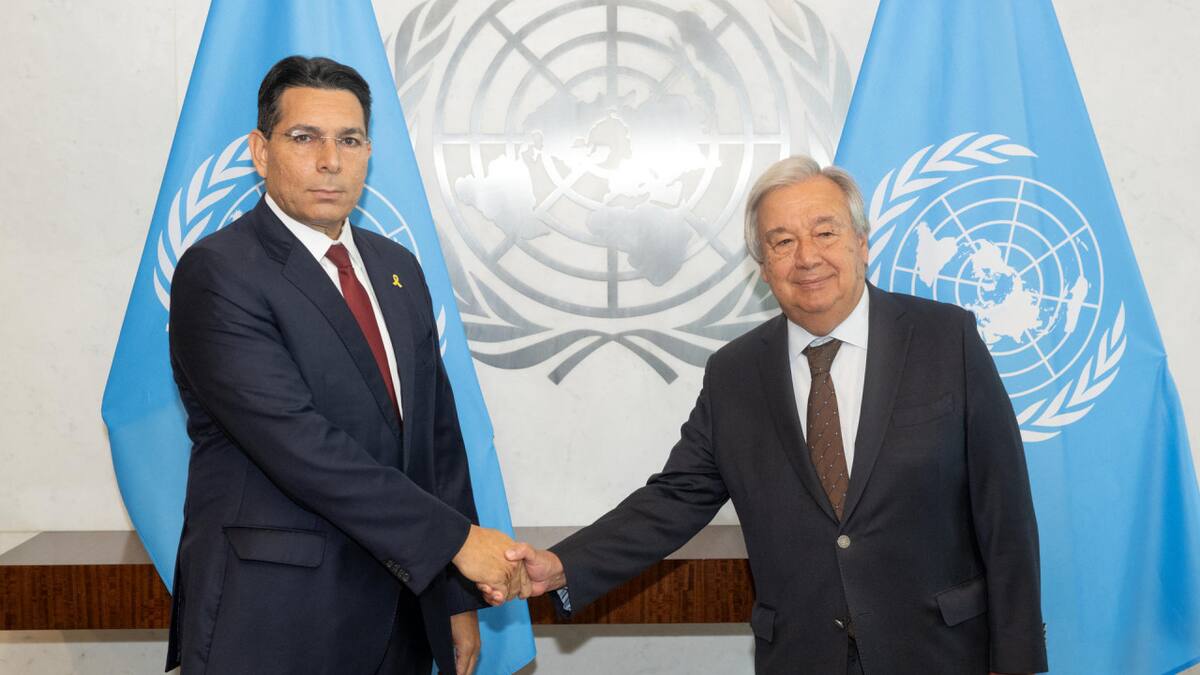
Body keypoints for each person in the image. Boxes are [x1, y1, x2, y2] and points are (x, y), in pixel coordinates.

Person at [484, 156, 1048, 674]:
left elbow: (1005, 511)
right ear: (762, 266)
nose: (807, 256)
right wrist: (562, 565)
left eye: (825, 232)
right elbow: (673, 500)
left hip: (942, 654)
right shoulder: (735, 373)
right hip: (803, 656)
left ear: (861, 242)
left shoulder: (945, 340)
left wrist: (1015, 658)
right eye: (782, 241)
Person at [165, 56, 523, 675]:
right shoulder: (219, 272)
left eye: (349, 139)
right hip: (276, 620)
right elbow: (300, 445)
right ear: (260, 149)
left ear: (368, 152)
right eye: (304, 137)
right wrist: (458, 545)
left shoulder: (397, 269)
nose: (330, 159)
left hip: (403, 614)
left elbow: (438, 442)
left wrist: (455, 598)